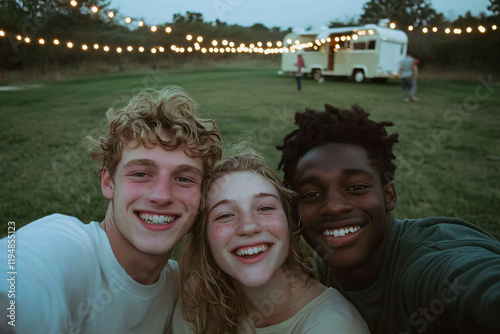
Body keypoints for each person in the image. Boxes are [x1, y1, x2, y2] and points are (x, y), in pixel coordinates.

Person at [0, 86, 222, 333]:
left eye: (184, 179)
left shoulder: (178, 288)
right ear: (108, 181)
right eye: (140, 174)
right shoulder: (67, 247)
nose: (161, 195)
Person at [276, 104, 500, 334]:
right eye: (311, 194)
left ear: (389, 195)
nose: (333, 207)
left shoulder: (430, 266)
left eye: (356, 187)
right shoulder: (321, 265)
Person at [172, 152, 370, 333]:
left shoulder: (333, 326)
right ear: (204, 238)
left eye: (265, 208)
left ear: (290, 223)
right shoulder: (199, 298)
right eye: (224, 215)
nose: (248, 227)